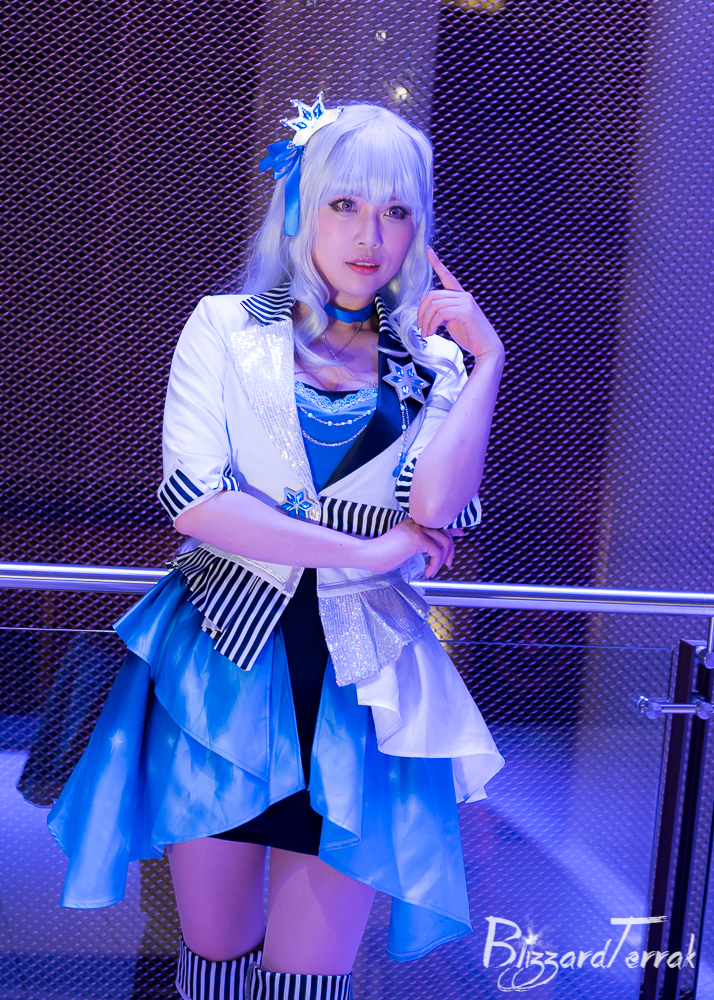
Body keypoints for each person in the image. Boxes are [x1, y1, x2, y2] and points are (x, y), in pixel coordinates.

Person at [48, 96, 506, 1000]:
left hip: (359, 681)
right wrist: (371, 551)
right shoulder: (224, 327)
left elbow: (441, 510)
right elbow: (195, 503)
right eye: (345, 204)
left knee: (312, 979)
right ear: (299, 206)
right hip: (221, 660)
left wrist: (484, 362)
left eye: (396, 210)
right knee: (213, 955)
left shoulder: (433, 360)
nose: (370, 235)